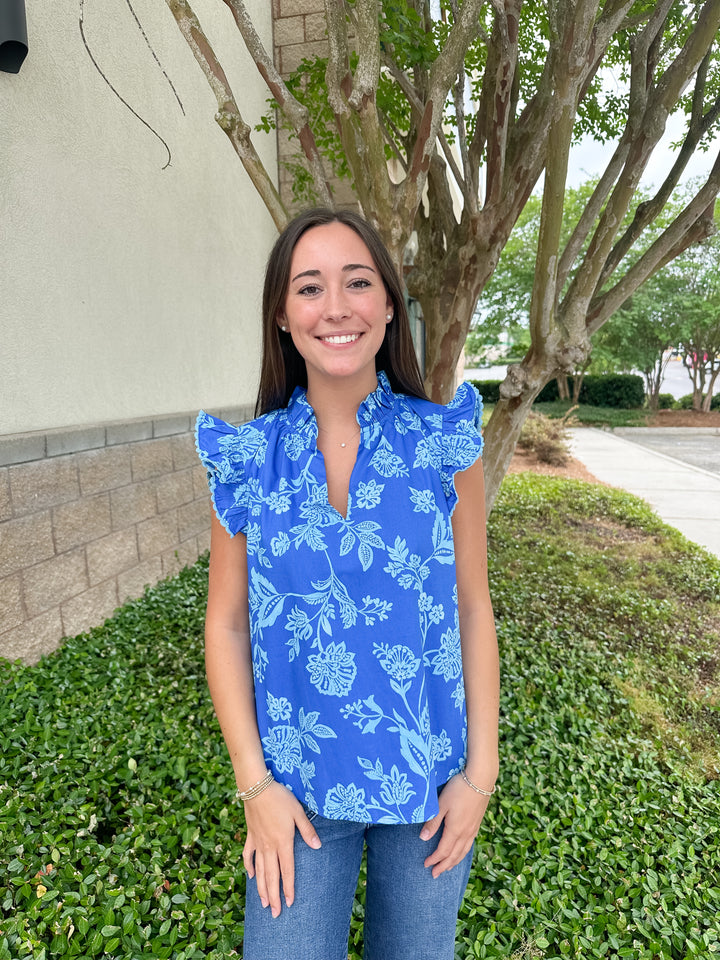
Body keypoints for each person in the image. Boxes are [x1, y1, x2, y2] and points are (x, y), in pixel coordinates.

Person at [195, 208, 499, 960]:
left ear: (389, 304)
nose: (336, 306)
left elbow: (472, 605)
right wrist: (254, 788)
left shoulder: (441, 444)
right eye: (310, 287)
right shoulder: (248, 459)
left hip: (429, 783)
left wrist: (479, 775)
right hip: (296, 791)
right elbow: (226, 625)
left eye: (357, 282)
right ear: (282, 314)